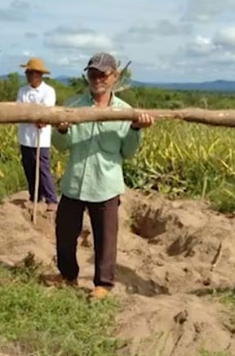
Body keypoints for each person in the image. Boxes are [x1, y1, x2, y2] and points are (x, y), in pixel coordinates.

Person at [52, 52, 153, 300]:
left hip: (106, 183)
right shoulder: (73, 106)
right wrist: (62, 130)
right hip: (74, 182)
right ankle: (68, 275)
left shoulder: (126, 112)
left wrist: (136, 129)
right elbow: (61, 146)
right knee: (64, 234)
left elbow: (127, 152)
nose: (97, 78)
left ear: (115, 77)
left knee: (105, 238)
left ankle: (103, 284)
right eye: (92, 73)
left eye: (103, 74)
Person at [16, 58, 58, 211]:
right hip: (25, 136)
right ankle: (35, 195)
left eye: (33, 73)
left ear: (39, 75)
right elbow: (19, 111)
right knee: (28, 166)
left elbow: (46, 112)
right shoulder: (22, 91)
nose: (29, 75)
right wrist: (33, 115)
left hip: (41, 137)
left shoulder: (48, 91)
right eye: (28, 73)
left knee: (43, 167)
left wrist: (40, 117)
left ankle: (51, 199)